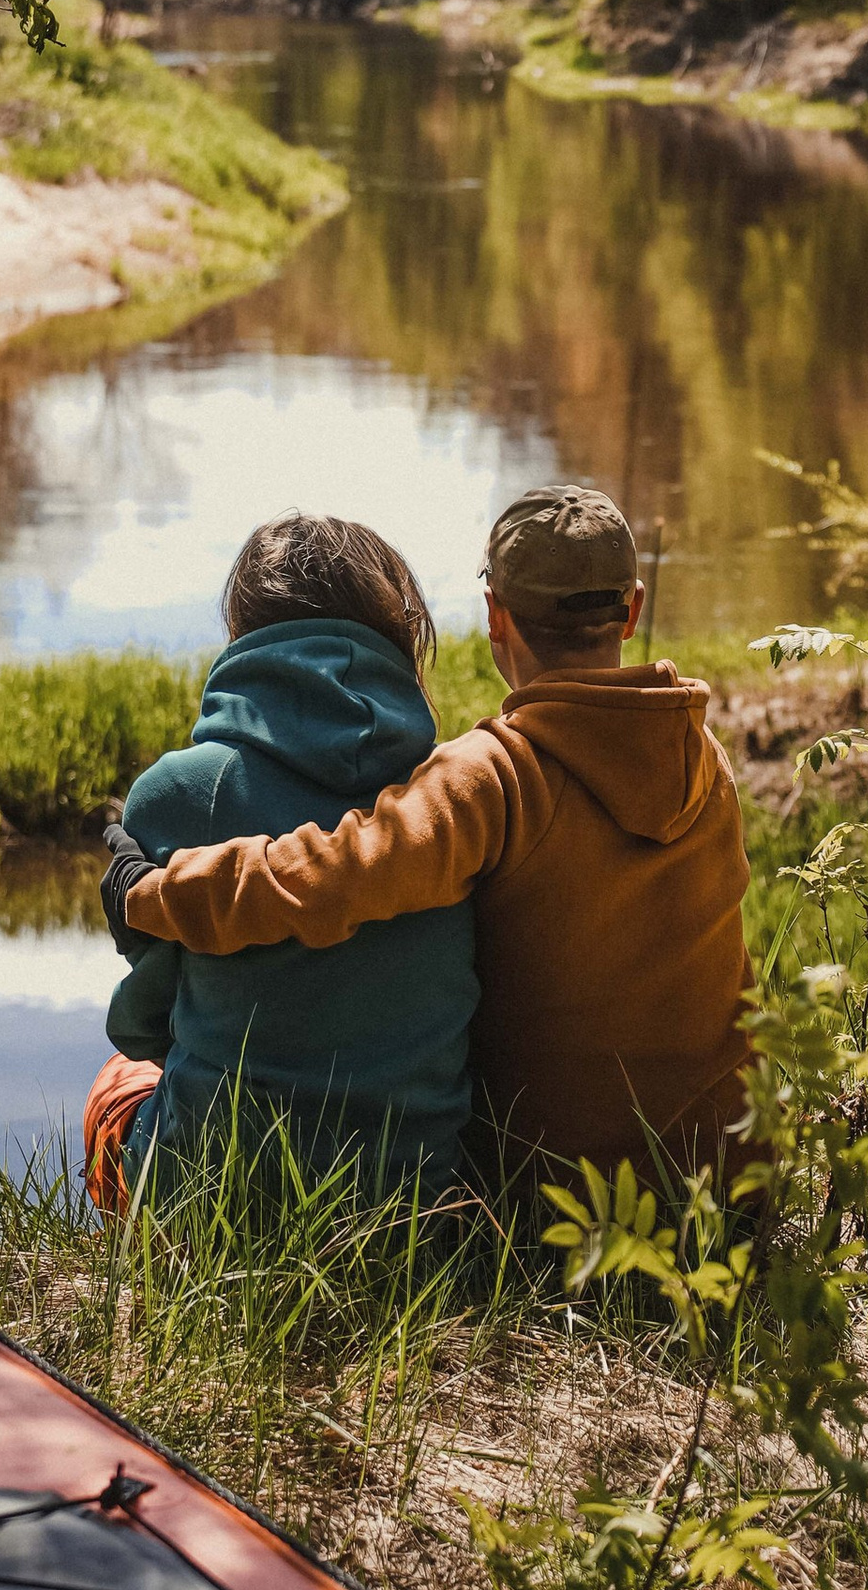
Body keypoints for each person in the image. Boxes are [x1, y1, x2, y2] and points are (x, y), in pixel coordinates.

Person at [103, 482, 750, 1182]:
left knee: (119, 1086)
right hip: (729, 1178)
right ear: (632, 610)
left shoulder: (492, 778)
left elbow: (326, 879)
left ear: (496, 616)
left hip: (564, 1199)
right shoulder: (702, 757)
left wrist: (150, 897)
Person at [81, 514, 478, 1212]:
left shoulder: (182, 792)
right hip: (412, 1207)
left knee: (116, 1085)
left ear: (244, 632)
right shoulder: (450, 795)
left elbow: (147, 1028)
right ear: (400, 634)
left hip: (216, 1202)